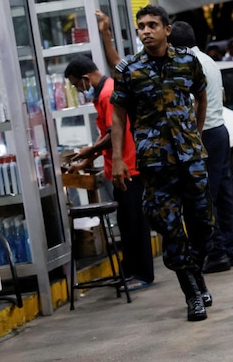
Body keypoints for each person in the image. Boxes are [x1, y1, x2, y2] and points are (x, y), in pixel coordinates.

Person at [110, 4, 214, 322]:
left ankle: (196, 272)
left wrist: (194, 135)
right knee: (170, 229)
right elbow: (118, 114)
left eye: (153, 24)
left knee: (204, 226)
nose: (146, 30)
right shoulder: (128, 69)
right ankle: (192, 294)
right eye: (141, 25)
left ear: (167, 29)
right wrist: (117, 157)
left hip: (190, 158)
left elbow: (201, 97)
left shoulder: (187, 61)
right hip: (155, 164)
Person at [64, 55, 155, 291]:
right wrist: (86, 161)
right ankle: (131, 270)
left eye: (76, 85)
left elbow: (114, 133)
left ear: (85, 78)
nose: (78, 89)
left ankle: (143, 274)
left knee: (135, 223)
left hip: (127, 168)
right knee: (126, 224)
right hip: (118, 169)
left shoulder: (108, 94)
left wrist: (89, 150)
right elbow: (106, 134)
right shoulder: (105, 93)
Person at [168, 21, 233, 273]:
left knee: (204, 197)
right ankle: (229, 250)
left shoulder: (188, 65)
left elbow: (194, 105)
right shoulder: (208, 60)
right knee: (222, 195)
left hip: (205, 133)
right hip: (219, 130)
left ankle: (217, 252)